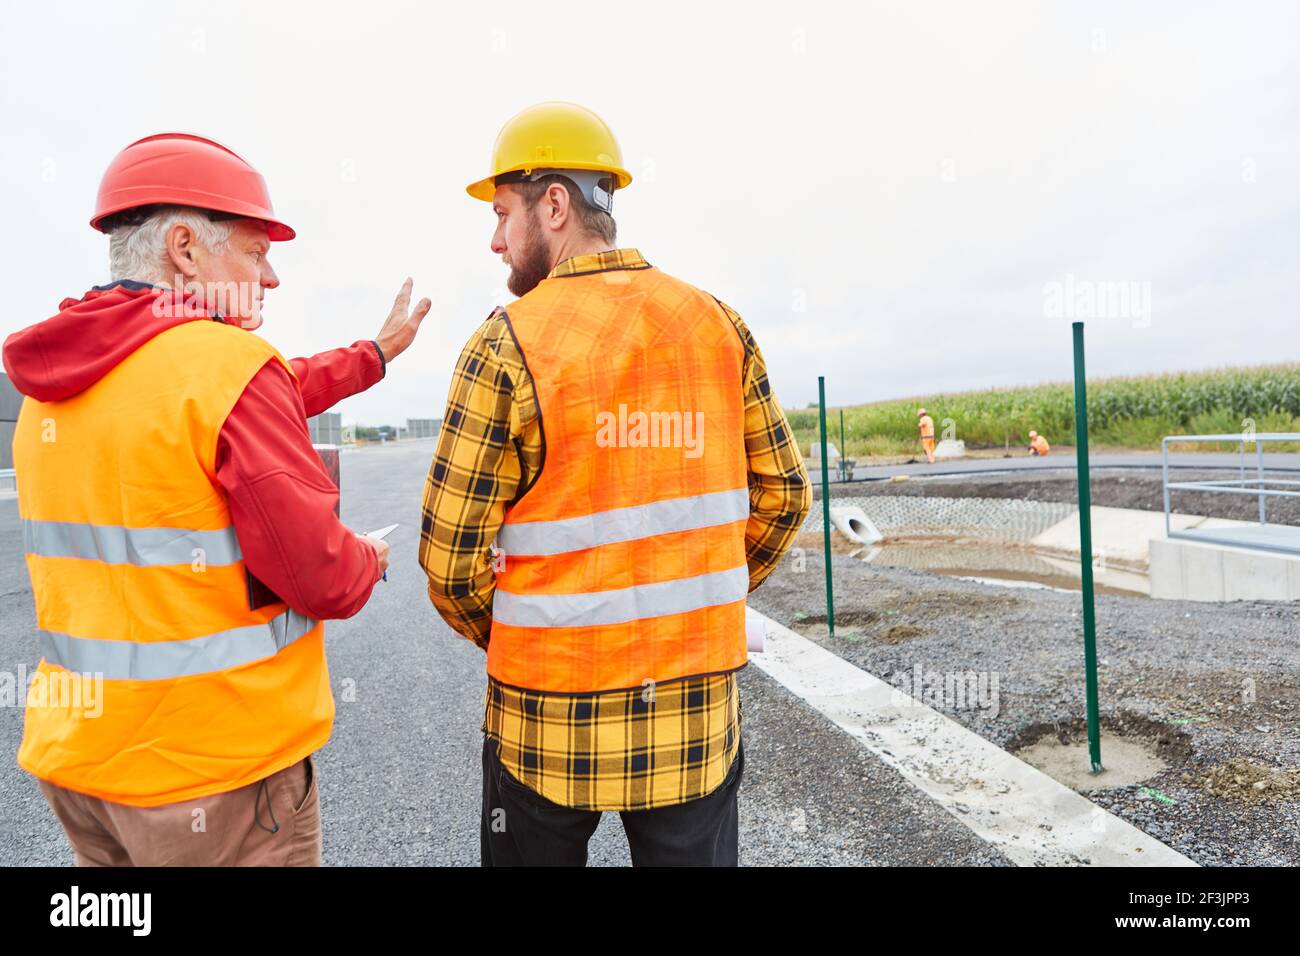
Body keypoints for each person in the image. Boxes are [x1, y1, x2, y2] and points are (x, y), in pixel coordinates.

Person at [3, 132, 430, 866]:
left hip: (84, 768)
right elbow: (322, 576)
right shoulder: (226, 368)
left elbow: (262, 389)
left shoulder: (55, 389)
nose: (271, 278)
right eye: (257, 251)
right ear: (185, 249)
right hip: (212, 776)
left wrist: (375, 355)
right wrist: (369, 557)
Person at [419, 102, 811, 866]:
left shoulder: (504, 345)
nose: (495, 240)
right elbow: (785, 496)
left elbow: (448, 564)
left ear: (554, 204)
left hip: (542, 725)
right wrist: (699, 601)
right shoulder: (716, 325)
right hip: (692, 723)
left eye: (503, 215)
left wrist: (528, 631)